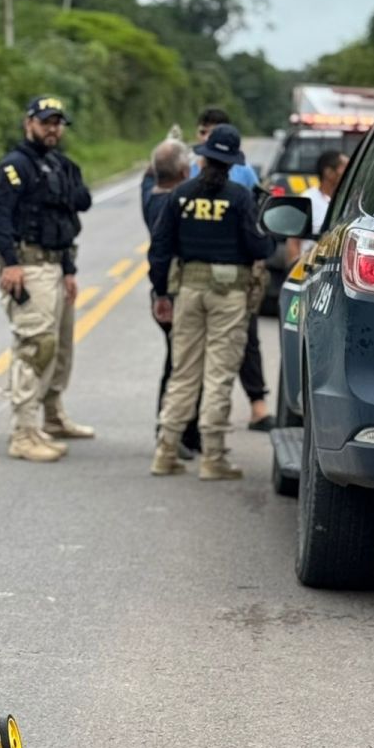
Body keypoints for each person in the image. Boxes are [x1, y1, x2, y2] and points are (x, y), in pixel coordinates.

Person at [149, 124, 275, 480]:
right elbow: (257, 247)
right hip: (229, 295)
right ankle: (213, 457)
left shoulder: (181, 195)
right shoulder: (239, 197)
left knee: (183, 371)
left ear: (203, 158)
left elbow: (159, 249)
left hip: (188, 291)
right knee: (218, 375)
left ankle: (165, 451)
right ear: (232, 161)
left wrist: (162, 293)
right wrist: (270, 235)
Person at [0, 95, 94, 462]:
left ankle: (52, 415)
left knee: (61, 347)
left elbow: (62, 223)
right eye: (46, 121)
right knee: (36, 347)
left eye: (58, 122)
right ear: (28, 122)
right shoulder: (15, 167)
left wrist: (69, 271)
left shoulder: (58, 166)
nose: (53, 128)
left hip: (55, 266)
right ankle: (23, 433)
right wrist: (12, 264)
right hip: (28, 268)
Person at [193, 105, 274, 432]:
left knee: (246, 341)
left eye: (214, 132)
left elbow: (258, 213)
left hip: (237, 272)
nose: (208, 138)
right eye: (203, 132)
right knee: (193, 352)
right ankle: (195, 425)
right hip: (198, 272)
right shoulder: (188, 169)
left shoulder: (244, 177)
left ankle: (257, 406)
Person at [141, 138, 199, 456]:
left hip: (163, 290)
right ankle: (173, 432)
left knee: (178, 360)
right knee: (181, 364)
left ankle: (182, 431)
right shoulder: (176, 202)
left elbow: (150, 175)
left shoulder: (150, 196)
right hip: (174, 290)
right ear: (181, 171)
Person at [286, 149, 349, 264]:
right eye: (345, 167)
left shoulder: (351, 200)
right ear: (329, 172)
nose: (350, 171)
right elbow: (293, 241)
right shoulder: (307, 199)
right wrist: (294, 268)